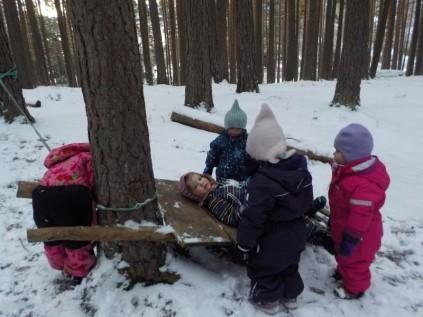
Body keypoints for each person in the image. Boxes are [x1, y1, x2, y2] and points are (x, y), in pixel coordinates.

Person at [235, 104, 313, 314]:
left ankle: (268, 300)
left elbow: (253, 217)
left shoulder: (261, 183)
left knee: (265, 268)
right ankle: (290, 297)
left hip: (272, 238)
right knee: (289, 265)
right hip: (297, 233)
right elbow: (306, 201)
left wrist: (245, 242)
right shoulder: (300, 171)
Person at [329, 123, 390, 299]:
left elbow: (360, 217)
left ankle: (354, 289)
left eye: (338, 151)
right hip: (345, 227)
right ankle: (343, 273)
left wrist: (351, 239)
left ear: (351, 156)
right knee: (344, 257)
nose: (334, 154)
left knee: (355, 263)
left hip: (360, 236)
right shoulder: (349, 173)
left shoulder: (363, 185)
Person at [32, 143, 97, 285]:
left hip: (41, 195)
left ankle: (59, 265)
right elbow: (94, 185)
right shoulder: (88, 157)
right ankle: (79, 272)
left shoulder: (57, 160)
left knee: (52, 235)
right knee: (77, 236)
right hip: (71, 195)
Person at [203, 99, 257, 182]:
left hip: (242, 181)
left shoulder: (248, 142)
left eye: (238, 128)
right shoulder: (221, 140)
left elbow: (254, 160)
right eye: (231, 128)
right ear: (227, 127)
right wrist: (208, 169)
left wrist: (253, 175)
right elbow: (212, 155)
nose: (234, 131)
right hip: (223, 178)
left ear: (243, 128)